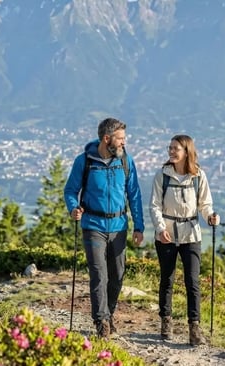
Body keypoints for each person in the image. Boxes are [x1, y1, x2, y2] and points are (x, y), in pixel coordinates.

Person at [64, 117, 144, 339]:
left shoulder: (126, 161)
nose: (123, 143)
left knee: (117, 275)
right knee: (99, 274)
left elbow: (134, 194)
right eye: (120, 139)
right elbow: (70, 190)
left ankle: (109, 313)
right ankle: (101, 322)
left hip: (119, 226)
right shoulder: (85, 161)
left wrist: (139, 226)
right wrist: (73, 208)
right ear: (107, 139)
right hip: (93, 225)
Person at [149, 134, 220, 346]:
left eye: (175, 149)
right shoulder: (162, 175)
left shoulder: (199, 176)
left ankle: (194, 328)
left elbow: (205, 203)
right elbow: (154, 206)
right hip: (167, 235)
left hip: (191, 234)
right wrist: (161, 229)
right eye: (169, 148)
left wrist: (210, 216)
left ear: (186, 152)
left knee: (193, 282)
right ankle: (166, 321)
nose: (171, 151)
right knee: (167, 279)